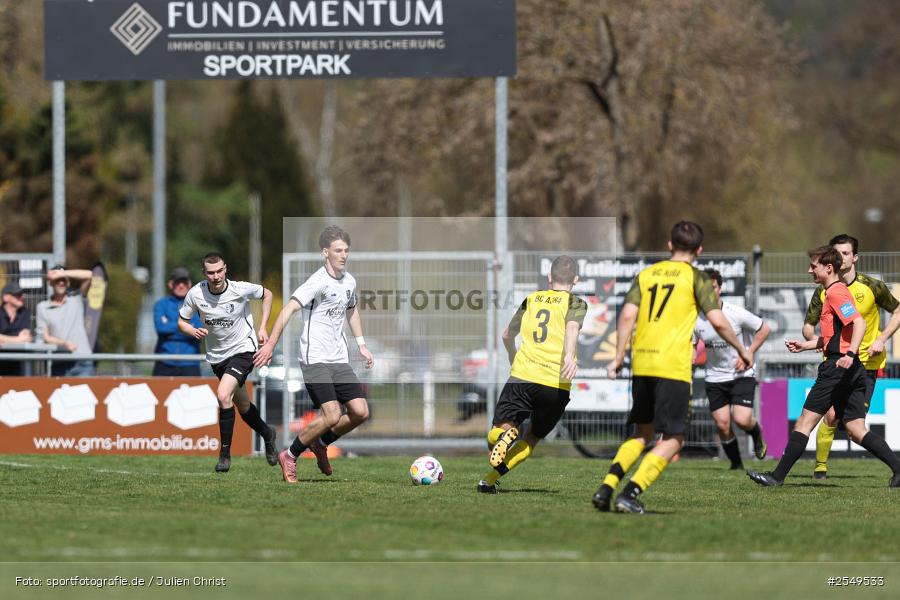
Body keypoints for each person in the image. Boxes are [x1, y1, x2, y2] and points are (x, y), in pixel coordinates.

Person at [592, 221, 753, 514]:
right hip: (672, 366)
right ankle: (630, 493)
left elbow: (627, 316)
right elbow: (717, 321)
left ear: (670, 244)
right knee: (674, 439)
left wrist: (617, 357)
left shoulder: (646, 274)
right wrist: (742, 349)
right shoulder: (696, 278)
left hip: (642, 362)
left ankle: (606, 486)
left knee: (642, 433)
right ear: (699, 250)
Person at [748, 246, 900, 488]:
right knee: (856, 428)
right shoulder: (834, 292)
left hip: (838, 367)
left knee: (804, 423)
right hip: (851, 367)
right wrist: (806, 345)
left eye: (813, 266)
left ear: (829, 268)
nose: (809, 270)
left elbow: (858, 323)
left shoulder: (835, 293)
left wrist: (849, 353)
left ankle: (776, 478)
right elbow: (837, 334)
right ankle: (899, 470)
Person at [253, 225, 375, 484]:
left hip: (339, 359)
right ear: (325, 253)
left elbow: (351, 311)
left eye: (346, 250)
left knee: (360, 412)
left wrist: (361, 344)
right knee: (331, 415)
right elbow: (287, 311)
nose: (343, 255)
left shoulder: (350, 281)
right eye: (338, 250)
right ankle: (291, 455)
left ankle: (321, 443)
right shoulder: (317, 282)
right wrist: (271, 345)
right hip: (315, 359)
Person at [476, 255, 587, 494]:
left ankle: (505, 435)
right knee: (533, 438)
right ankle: (489, 480)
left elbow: (507, 334)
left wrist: (511, 354)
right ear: (575, 279)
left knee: (496, 434)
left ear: (549, 277)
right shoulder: (577, 303)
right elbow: (572, 327)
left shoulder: (532, 299)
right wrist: (569, 355)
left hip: (523, 376)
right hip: (556, 384)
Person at [802, 234, 900, 479]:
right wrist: (813, 339)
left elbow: (898, 310)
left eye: (846, 253)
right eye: (837, 253)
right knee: (832, 415)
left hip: (865, 364)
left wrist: (882, 338)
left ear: (855, 257)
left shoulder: (872, 286)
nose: (841, 258)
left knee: (853, 427)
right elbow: (808, 324)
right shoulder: (824, 289)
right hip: (836, 362)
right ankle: (820, 468)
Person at [177, 252, 278, 473]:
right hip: (217, 357)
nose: (216, 276)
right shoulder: (196, 293)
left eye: (219, 271)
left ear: (226, 269)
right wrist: (192, 330)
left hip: (244, 349)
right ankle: (267, 433)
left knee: (223, 395)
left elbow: (267, 294)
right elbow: (182, 322)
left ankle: (224, 455)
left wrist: (262, 327)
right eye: (211, 272)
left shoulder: (240, 289)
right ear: (204, 273)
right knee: (241, 405)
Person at [693, 268, 771, 470]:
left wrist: (750, 352)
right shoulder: (696, 318)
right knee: (722, 424)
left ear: (720, 289)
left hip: (741, 374)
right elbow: (691, 345)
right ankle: (736, 464)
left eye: (714, 287)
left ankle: (757, 434)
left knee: (742, 419)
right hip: (714, 377)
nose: (710, 292)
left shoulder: (734, 312)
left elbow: (764, 328)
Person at [36, 265, 95, 377]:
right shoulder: (42, 307)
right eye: (57, 280)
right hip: (59, 362)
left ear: (68, 282)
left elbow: (90, 275)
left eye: (64, 280)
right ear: (51, 283)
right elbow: (46, 337)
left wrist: (62, 273)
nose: (61, 283)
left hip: (82, 361)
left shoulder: (76, 299)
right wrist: (64, 343)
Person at [153, 267, 203, 377]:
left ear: (189, 284)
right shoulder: (161, 304)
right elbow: (161, 328)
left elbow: (198, 332)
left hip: (190, 364)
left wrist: (170, 327)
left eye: (184, 282)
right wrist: (187, 327)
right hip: (164, 363)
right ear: (171, 284)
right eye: (177, 282)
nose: (181, 286)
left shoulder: (198, 305)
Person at [0, 282, 33, 375]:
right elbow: (21, 339)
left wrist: (4, 339)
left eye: (22, 294)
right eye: (17, 295)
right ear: (6, 297)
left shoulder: (25, 313)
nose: (22, 297)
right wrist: (17, 339)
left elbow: (26, 337)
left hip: (18, 365)